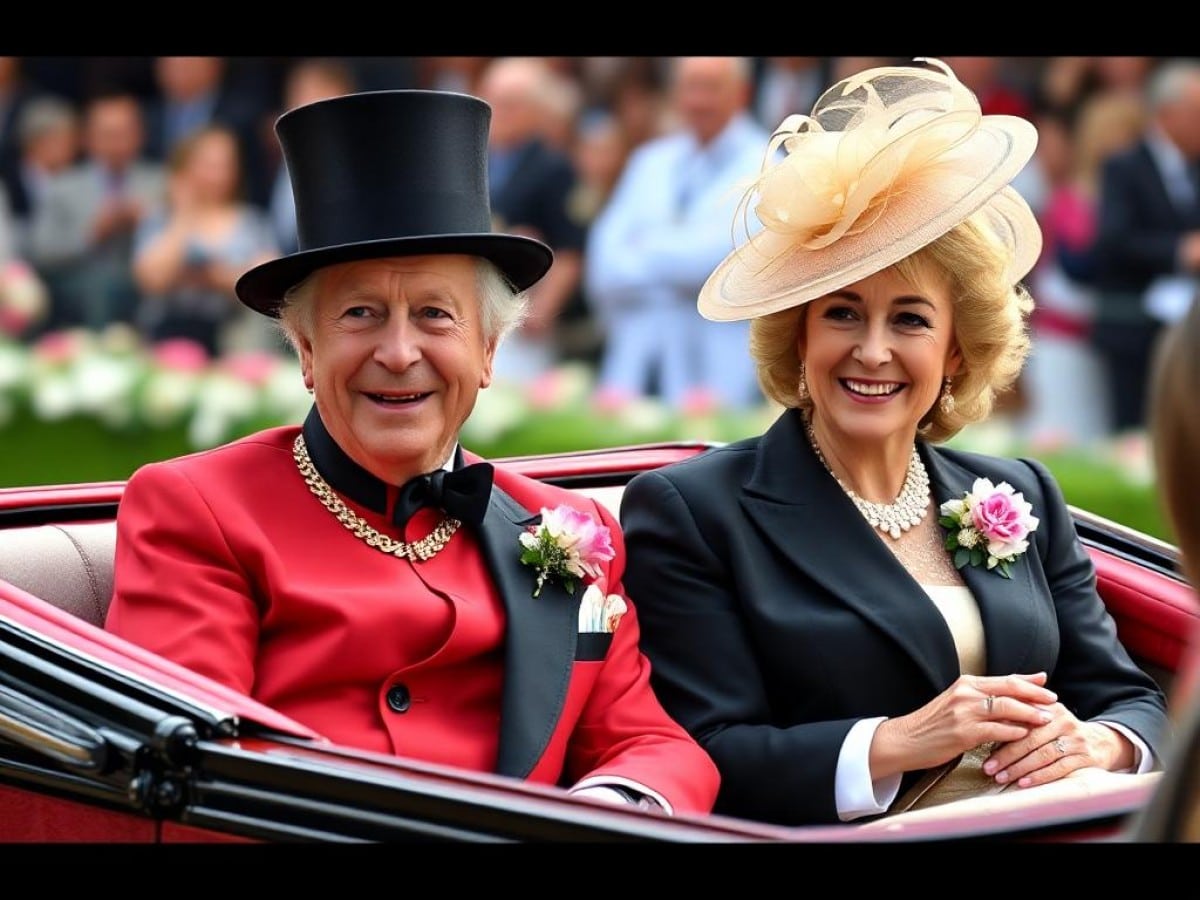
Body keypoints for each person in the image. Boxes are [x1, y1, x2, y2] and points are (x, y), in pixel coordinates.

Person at [104, 89, 720, 817]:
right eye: (360, 313)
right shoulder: (197, 508)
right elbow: (196, 767)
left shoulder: (570, 529)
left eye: (435, 314)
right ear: (306, 348)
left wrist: (611, 810)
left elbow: (654, 746)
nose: (399, 353)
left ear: (489, 350)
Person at [619, 58, 1169, 827]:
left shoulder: (1020, 493)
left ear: (954, 352)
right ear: (799, 334)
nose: (872, 351)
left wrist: (1097, 744)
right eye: (842, 313)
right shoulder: (695, 511)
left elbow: (1134, 698)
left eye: (909, 319)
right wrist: (893, 742)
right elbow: (703, 754)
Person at [584, 56, 769, 412]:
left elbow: (723, 261)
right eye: (690, 88)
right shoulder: (650, 161)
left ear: (742, 94)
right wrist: (678, 257)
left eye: (711, 88)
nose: (698, 100)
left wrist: (646, 245)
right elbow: (605, 262)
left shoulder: (766, 164)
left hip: (722, 371)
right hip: (637, 359)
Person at [1092, 57, 1200, 438]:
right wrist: (1179, 252)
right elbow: (1113, 241)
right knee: (1133, 435)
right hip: (1133, 328)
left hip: (1187, 331)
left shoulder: (1194, 168)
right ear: (1169, 114)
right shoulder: (1124, 167)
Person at [475, 57, 586, 387]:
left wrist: (540, 311)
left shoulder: (553, 167)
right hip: (476, 307)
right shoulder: (476, 160)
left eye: (511, 104)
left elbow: (571, 248)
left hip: (521, 313)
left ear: (537, 109)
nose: (499, 112)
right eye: (491, 100)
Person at [130, 123, 279, 357]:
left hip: (233, 335)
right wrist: (184, 216)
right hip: (168, 330)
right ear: (186, 167)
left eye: (225, 165)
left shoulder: (252, 221)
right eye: (209, 165)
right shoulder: (161, 218)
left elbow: (268, 285)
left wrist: (212, 277)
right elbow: (151, 279)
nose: (217, 175)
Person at [26, 91, 166, 332]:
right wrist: (93, 233)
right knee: (101, 286)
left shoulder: (162, 182)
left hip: (148, 279)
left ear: (140, 134)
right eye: (108, 134)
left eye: (124, 132)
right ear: (88, 138)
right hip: (80, 282)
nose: (117, 142)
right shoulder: (64, 184)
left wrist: (147, 222)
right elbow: (42, 251)